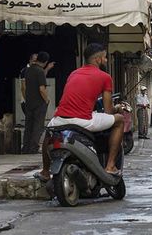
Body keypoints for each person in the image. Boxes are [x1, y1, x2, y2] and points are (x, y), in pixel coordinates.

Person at [35, 43, 126, 181]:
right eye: (105, 58)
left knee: (49, 133)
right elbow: (108, 111)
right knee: (119, 120)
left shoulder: (73, 73)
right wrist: (117, 109)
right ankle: (110, 165)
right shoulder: (105, 77)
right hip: (82, 120)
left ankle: (45, 171)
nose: (106, 61)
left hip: (60, 118)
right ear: (98, 59)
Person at [22, 52, 51, 154]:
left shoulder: (28, 70)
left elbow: (24, 86)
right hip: (39, 103)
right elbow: (42, 89)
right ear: (46, 62)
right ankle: (33, 148)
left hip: (29, 102)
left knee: (28, 125)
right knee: (38, 126)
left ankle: (25, 147)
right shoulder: (40, 72)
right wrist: (47, 99)